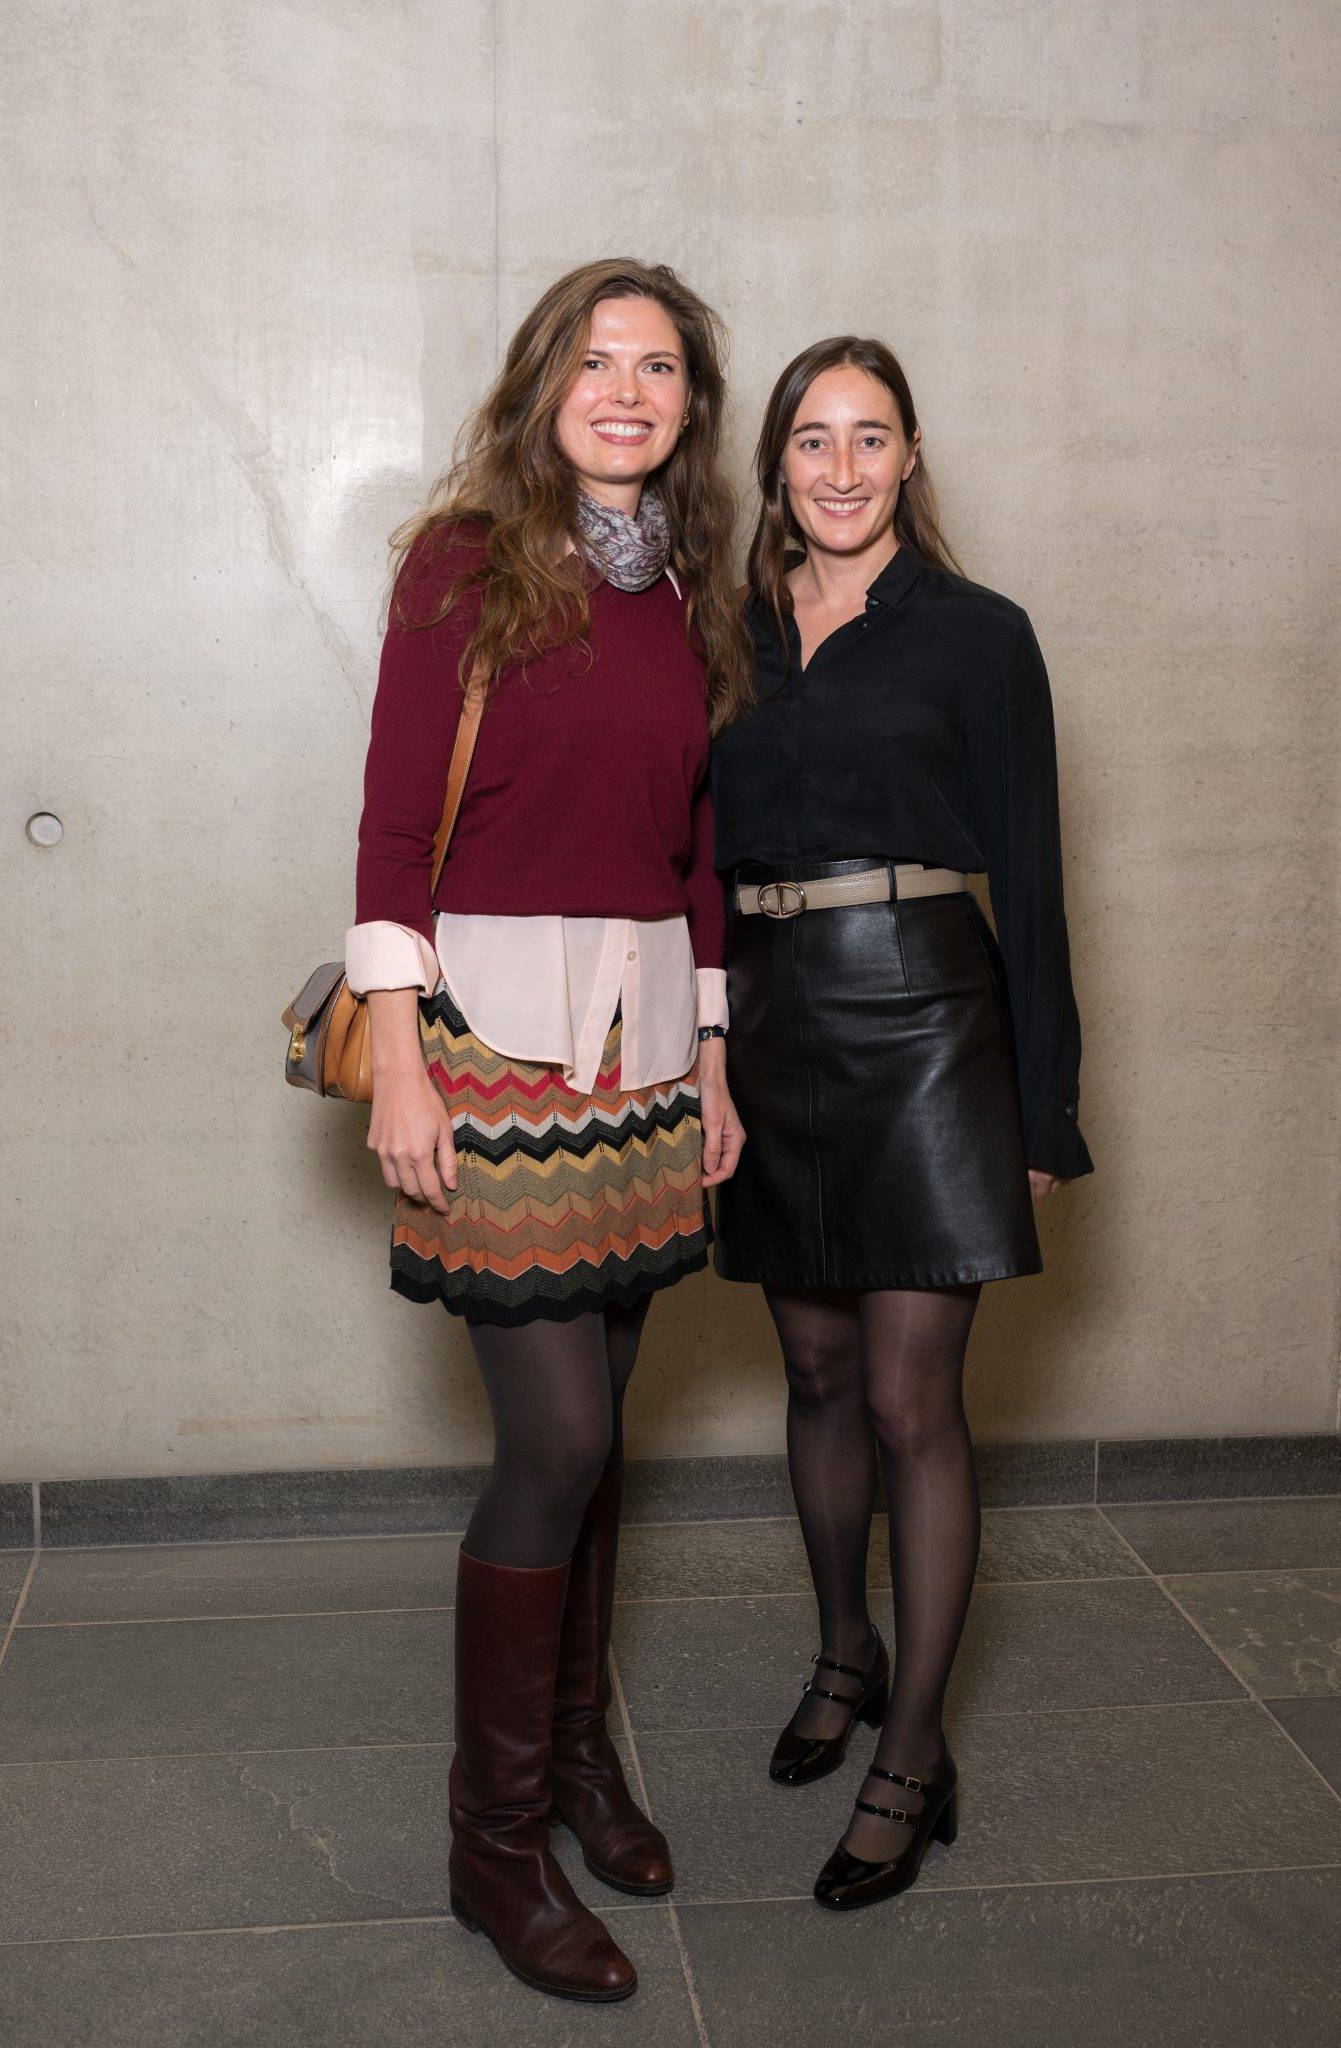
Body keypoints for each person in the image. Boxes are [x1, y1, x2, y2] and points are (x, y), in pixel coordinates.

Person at [347, 259, 747, 2000]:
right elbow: (386, 829)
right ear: (543, 383)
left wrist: (715, 1053)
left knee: (610, 1431)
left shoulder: (695, 595)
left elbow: (700, 851)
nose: (628, 388)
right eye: (598, 360)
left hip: (646, 1048)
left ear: (687, 408)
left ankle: (579, 1768)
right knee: (556, 1442)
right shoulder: (460, 561)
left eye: (658, 367)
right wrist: (403, 1059)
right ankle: (490, 1845)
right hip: (488, 1039)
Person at [710, 336, 1092, 1912]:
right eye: (814, 439)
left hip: (931, 1017)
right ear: (777, 465)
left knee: (907, 1400)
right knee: (808, 1371)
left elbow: (1039, 881)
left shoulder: (978, 636)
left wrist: (1043, 1109)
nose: (843, 467)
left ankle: (914, 1750)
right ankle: (843, 1651)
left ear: (912, 457)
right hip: (770, 1008)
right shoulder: (723, 634)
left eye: (872, 438)